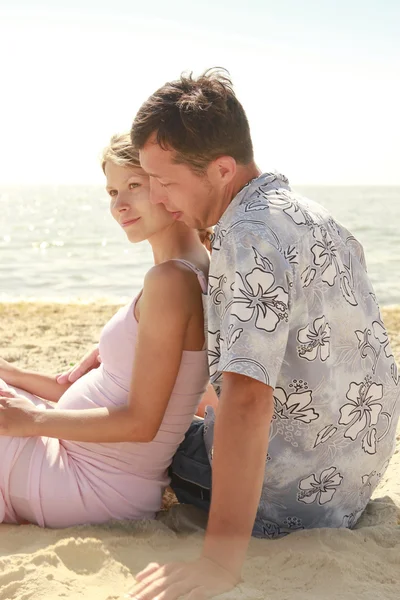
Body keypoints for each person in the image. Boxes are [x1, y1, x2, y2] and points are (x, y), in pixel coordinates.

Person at [112, 69, 398, 600]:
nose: (153, 193)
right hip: (354, 478)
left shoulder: (246, 239)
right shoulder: (313, 216)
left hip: (292, 501)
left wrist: (220, 563)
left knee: (157, 444)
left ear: (221, 169)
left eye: (165, 180)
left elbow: (247, 402)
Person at [0, 132, 214, 528]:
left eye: (134, 186)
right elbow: (119, 391)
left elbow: (142, 422)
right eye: (112, 191)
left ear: (170, 186)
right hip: (89, 462)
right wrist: (15, 375)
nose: (119, 205)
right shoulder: (186, 268)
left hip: (91, 486)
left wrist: (31, 420)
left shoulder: (172, 282)